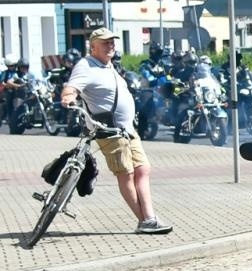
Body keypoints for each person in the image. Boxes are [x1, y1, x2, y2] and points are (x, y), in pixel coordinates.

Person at [58, 27, 172, 235]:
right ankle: (146, 220)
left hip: (127, 129)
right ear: (92, 47)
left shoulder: (109, 66)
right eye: (105, 42)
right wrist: (68, 96)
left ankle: (149, 218)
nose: (110, 45)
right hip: (108, 129)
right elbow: (72, 87)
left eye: (112, 42)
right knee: (126, 174)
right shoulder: (86, 65)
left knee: (143, 169)